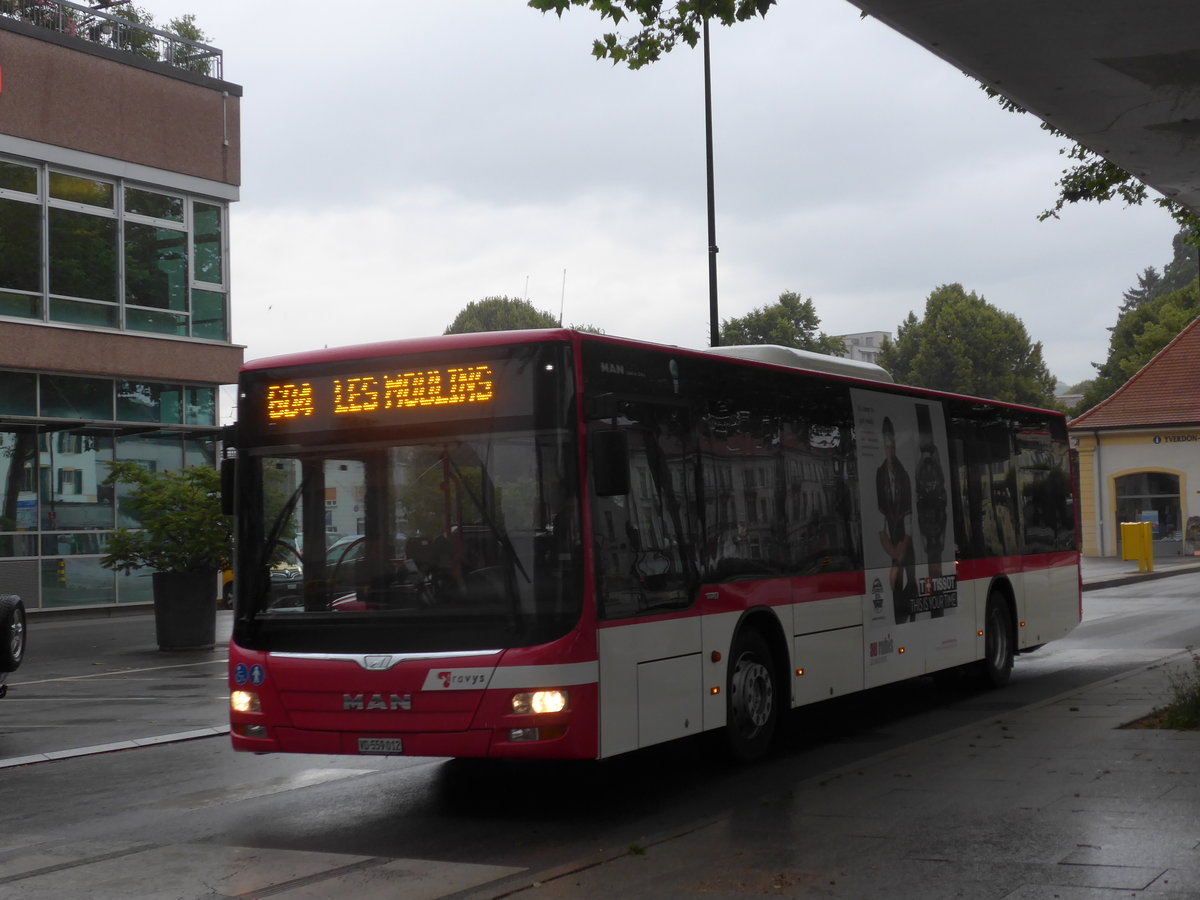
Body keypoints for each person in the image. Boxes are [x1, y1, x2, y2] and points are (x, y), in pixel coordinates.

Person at [876, 416, 916, 623]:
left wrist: (902, 550)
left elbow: (908, 519)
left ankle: (912, 619)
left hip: (906, 543)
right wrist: (893, 552)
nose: (889, 447)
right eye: (886, 442)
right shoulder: (879, 474)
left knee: (911, 580)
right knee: (894, 585)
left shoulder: (904, 475)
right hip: (893, 545)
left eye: (891, 442)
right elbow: (880, 521)